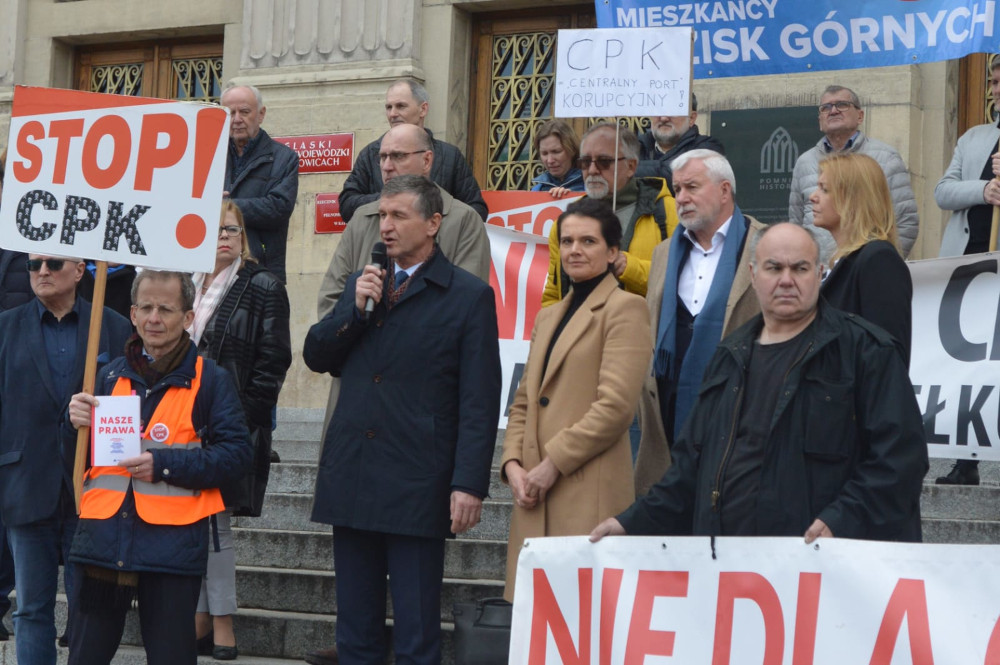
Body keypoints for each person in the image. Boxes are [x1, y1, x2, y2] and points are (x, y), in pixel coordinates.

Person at [590, 223, 928, 543]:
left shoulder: (865, 351)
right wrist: (630, 523)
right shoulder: (728, 357)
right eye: (773, 268)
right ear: (753, 275)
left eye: (800, 268)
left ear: (820, 273)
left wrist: (843, 519)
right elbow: (689, 470)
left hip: (823, 572)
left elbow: (901, 459)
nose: (786, 280)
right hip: (732, 573)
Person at [303, 176, 501, 665]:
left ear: (433, 224)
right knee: (355, 633)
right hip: (353, 474)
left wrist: (469, 483)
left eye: (398, 216)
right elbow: (316, 355)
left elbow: (479, 399)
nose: (385, 227)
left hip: (417, 480)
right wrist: (353, 310)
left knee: (416, 635)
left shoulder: (467, 296)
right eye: (381, 216)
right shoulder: (363, 283)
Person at [66, 270, 252, 665]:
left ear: (187, 317)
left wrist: (163, 465)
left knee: (171, 656)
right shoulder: (107, 374)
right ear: (132, 314)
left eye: (165, 309)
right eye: (146, 307)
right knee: (85, 656)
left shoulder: (211, 380)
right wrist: (73, 422)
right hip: (104, 539)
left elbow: (236, 456)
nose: (154, 317)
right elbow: (80, 458)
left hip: (171, 546)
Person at [501, 198, 651, 599]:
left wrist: (553, 464)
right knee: (539, 630)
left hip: (585, 492)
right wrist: (513, 464)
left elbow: (615, 408)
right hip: (533, 493)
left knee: (583, 624)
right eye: (566, 241)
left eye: (588, 241)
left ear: (613, 252)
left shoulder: (626, 309)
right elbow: (523, 400)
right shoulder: (547, 315)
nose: (574, 250)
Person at [0, 254, 131, 665]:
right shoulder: (5, 326)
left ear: (80, 271)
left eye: (54, 263)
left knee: (88, 611)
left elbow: (133, 400)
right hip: (24, 483)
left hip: (94, 489)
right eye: (34, 264)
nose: (41, 271)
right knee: (30, 609)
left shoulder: (113, 327)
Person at [191, 201, 292, 660]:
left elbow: (273, 363)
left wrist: (240, 422)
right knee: (190, 521)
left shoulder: (262, 284)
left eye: (231, 229)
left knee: (218, 524)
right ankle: (197, 616)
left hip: (231, 423)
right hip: (179, 423)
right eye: (213, 230)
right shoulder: (181, 284)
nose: (224, 238)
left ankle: (222, 620)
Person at [634, 150, 765, 495]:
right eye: (677, 189)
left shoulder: (763, 243)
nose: (681, 198)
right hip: (668, 405)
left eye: (691, 187)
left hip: (739, 407)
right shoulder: (664, 252)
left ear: (724, 191)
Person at [932, 60, 1000, 486]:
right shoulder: (975, 138)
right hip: (970, 267)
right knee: (968, 367)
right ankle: (966, 461)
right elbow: (942, 191)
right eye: (992, 81)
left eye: (999, 81)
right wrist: (984, 189)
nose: (994, 88)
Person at [541, 122, 679, 305]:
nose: (592, 170)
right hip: (580, 332)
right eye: (584, 162)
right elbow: (554, 292)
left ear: (631, 166)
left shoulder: (668, 212)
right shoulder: (565, 221)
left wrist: (629, 268)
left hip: (641, 330)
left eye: (604, 161)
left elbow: (683, 282)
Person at [789, 85, 919, 260]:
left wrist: (882, 263)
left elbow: (906, 221)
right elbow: (796, 225)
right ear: (820, 120)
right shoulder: (804, 162)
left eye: (842, 105)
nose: (833, 111)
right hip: (817, 275)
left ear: (860, 116)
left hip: (865, 272)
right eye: (825, 108)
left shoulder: (886, 158)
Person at [338, 78, 487, 223]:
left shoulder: (450, 156)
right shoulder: (370, 154)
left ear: (423, 109)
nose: (392, 114)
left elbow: (477, 210)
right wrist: (390, 199)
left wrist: (437, 224)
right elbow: (346, 206)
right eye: (389, 107)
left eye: (401, 106)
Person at [811, 153, 912, 364]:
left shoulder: (879, 260)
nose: (813, 196)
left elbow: (887, 356)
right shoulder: (847, 261)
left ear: (852, 198)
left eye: (824, 189)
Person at [221, 84, 299, 283]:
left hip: (261, 272)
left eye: (244, 112)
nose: (237, 119)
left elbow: (278, 208)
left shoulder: (284, 158)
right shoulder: (210, 156)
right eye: (230, 113)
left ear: (261, 114)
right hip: (215, 269)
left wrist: (225, 207)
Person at [635, 93, 726, 189]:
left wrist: (630, 170)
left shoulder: (709, 148)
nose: (664, 118)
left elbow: (684, 177)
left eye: (673, 110)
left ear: (691, 118)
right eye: (658, 109)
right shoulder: (634, 147)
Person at [530, 119, 584, 195]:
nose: (550, 160)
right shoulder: (536, 191)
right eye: (544, 153)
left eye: (556, 152)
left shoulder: (591, 187)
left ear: (572, 150)